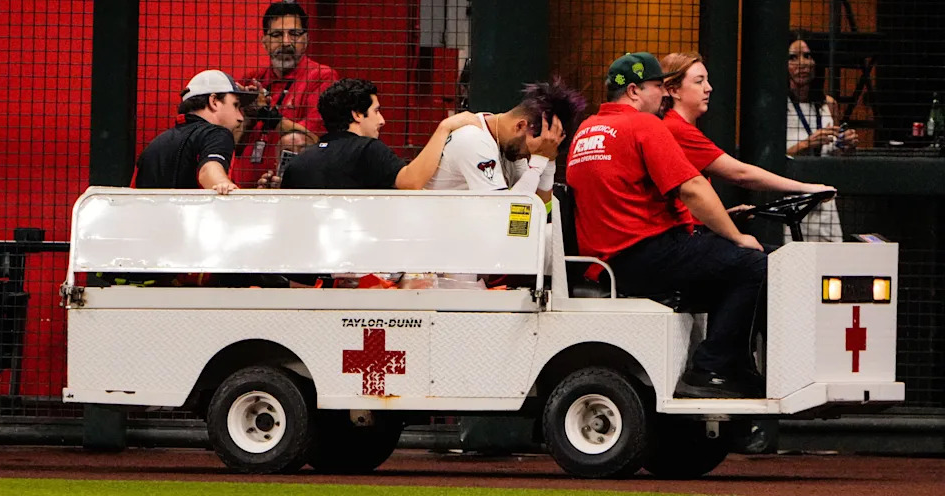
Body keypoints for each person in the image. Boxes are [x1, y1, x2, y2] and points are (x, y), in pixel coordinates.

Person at [566, 52, 766, 399]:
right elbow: (692, 188)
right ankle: (712, 369)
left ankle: (727, 365)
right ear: (633, 91)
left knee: (724, 271)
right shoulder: (643, 125)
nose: (664, 95)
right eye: (658, 86)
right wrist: (736, 235)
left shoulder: (586, 131)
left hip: (607, 264)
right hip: (647, 253)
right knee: (755, 264)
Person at [660, 51, 835, 219]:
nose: (709, 88)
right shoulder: (676, 128)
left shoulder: (676, 125)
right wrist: (806, 188)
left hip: (692, 231)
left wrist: (725, 215)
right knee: (756, 249)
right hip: (686, 239)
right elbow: (740, 174)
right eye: (699, 82)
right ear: (673, 90)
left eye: (707, 80)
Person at [282, 78, 478, 190]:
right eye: (376, 111)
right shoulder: (367, 150)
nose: (382, 120)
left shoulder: (298, 163)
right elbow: (411, 181)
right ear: (357, 114)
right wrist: (444, 128)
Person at [424, 81, 587, 205]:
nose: (528, 156)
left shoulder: (510, 146)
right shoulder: (474, 140)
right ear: (521, 126)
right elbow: (503, 213)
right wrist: (538, 161)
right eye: (530, 152)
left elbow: (539, 208)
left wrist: (549, 161)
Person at [232, 1, 340, 187]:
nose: (286, 42)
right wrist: (249, 118)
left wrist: (267, 115)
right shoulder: (251, 81)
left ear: (306, 40)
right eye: (276, 35)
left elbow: (312, 138)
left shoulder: (322, 77)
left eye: (294, 34)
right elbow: (232, 145)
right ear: (264, 41)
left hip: (292, 191)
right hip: (245, 189)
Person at [133, 70, 256, 193]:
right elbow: (208, 170)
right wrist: (223, 184)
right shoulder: (217, 134)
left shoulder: (153, 146)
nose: (240, 117)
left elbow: (132, 194)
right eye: (235, 105)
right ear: (214, 102)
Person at [785, 33, 856, 242]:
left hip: (824, 199)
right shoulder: (777, 105)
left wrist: (846, 146)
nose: (802, 64)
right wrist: (808, 143)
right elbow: (769, 160)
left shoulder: (828, 104)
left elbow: (833, 154)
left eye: (808, 56)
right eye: (793, 57)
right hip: (790, 198)